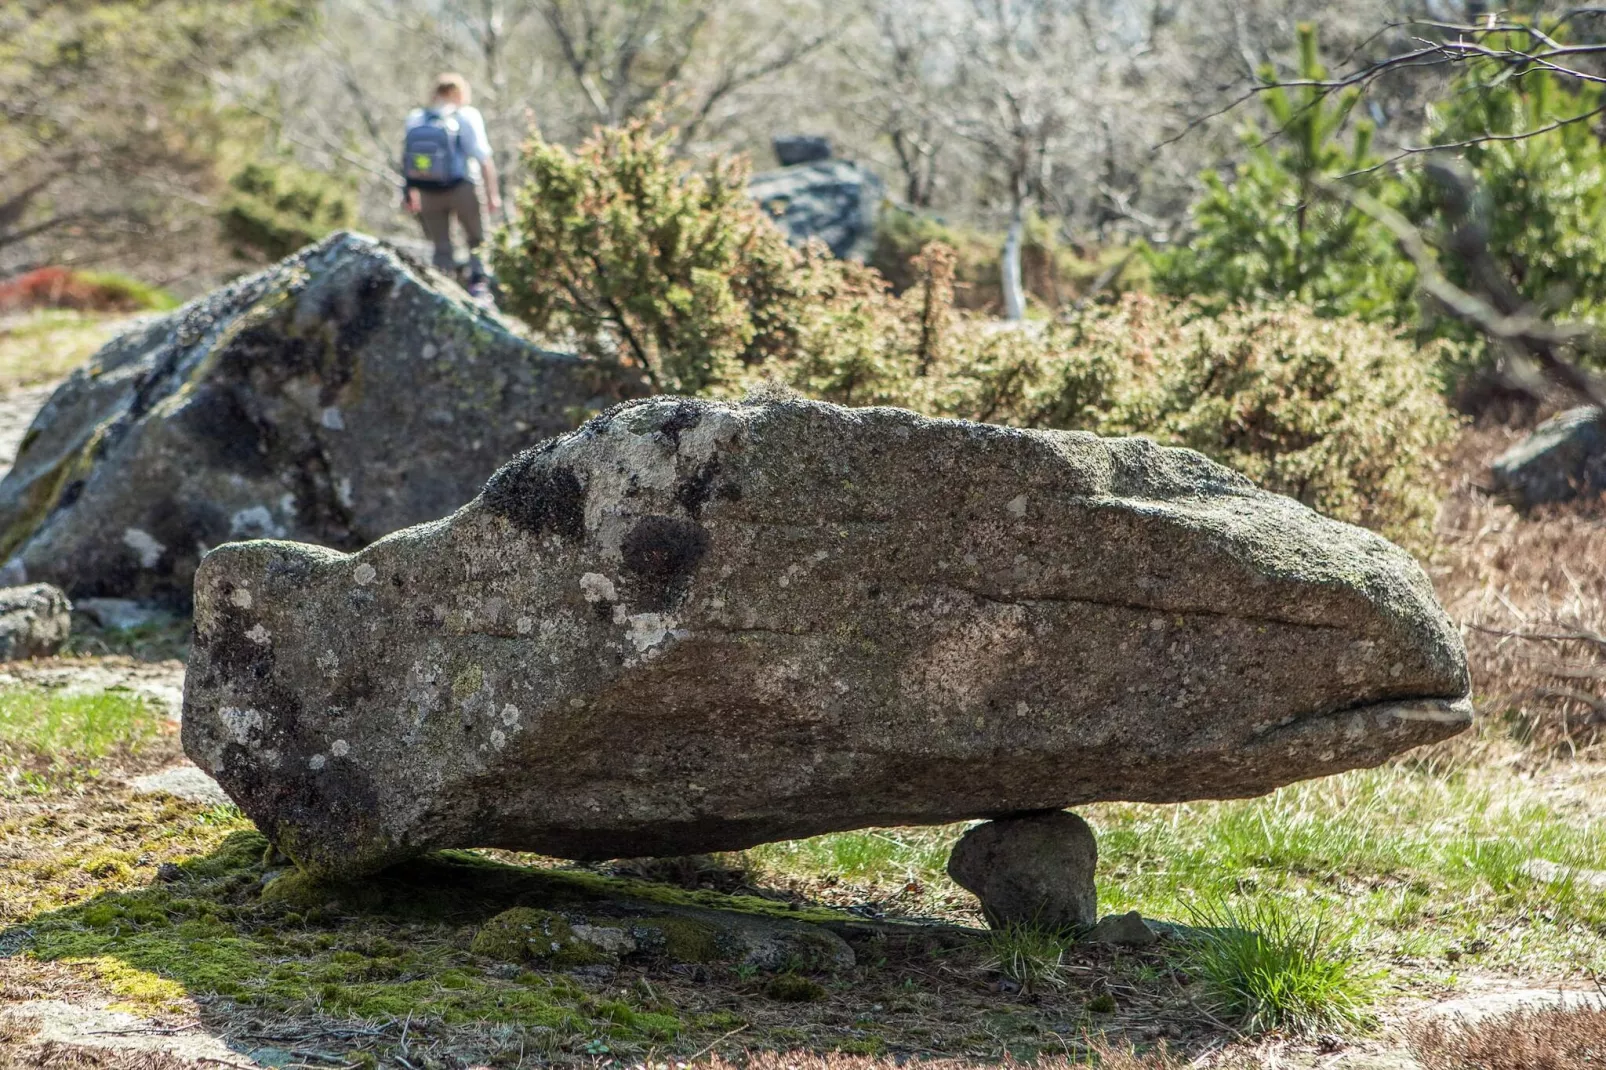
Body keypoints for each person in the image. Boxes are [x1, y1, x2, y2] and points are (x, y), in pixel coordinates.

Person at [401, 73, 502, 289]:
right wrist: (493, 194)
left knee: (441, 246)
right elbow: (483, 157)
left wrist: (410, 192)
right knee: (477, 240)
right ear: (460, 92)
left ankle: (444, 286)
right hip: (463, 187)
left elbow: (409, 159)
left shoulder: (417, 117)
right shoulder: (466, 116)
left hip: (428, 191)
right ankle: (479, 286)